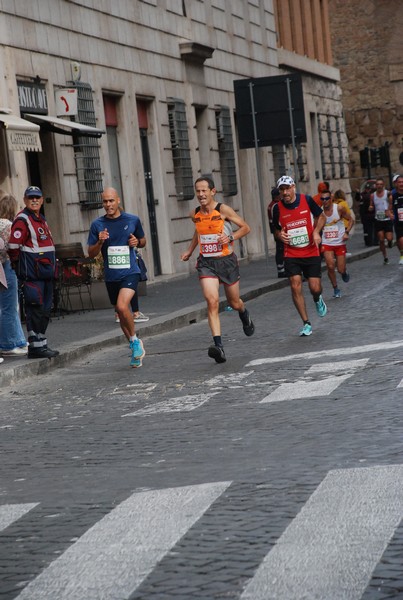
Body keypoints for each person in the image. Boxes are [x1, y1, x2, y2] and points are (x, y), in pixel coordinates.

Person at [181, 176, 254, 363]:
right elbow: (199, 231)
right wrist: (190, 250)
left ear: (213, 191)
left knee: (234, 301)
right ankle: (218, 346)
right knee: (211, 301)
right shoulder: (194, 214)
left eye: (204, 190)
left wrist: (230, 238)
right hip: (207, 263)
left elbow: (245, 228)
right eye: (198, 191)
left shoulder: (223, 210)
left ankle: (244, 313)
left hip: (226, 262)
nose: (201, 194)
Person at [87, 187, 146, 368]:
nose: (108, 205)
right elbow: (90, 253)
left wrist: (137, 242)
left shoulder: (132, 219)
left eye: (111, 201)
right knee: (120, 313)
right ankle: (134, 347)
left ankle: (135, 341)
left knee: (122, 305)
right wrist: (100, 241)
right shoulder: (97, 225)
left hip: (130, 271)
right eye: (105, 201)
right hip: (111, 275)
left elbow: (142, 241)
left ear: (118, 200)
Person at [272, 175, 327, 336]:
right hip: (291, 252)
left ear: (293, 187)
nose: (285, 192)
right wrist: (280, 235)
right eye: (282, 189)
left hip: (310, 250)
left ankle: (317, 299)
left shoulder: (307, 200)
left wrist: (316, 232)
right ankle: (306, 323)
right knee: (295, 285)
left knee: (314, 288)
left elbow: (321, 216)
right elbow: (276, 229)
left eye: (287, 188)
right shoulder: (277, 208)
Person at [8, 186, 59, 358]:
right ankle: (35, 347)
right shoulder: (22, 219)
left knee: (45, 310)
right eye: (31, 198)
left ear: (42, 200)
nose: (34, 200)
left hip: (45, 274)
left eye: (37, 198)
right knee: (35, 308)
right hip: (32, 275)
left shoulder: (40, 219)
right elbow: (13, 246)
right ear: (25, 200)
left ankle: (42, 344)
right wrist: (21, 265)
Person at [0, 194, 28, 356]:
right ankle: (9, 343)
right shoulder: (9, 225)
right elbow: (13, 246)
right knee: (10, 306)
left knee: (6, 306)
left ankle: (17, 340)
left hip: (2, 266)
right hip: (8, 265)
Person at [320, 190, 353, 298]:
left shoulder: (338, 208)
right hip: (327, 243)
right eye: (322, 199)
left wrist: (346, 232)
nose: (324, 201)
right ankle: (336, 288)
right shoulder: (320, 212)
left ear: (331, 199)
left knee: (340, 269)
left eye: (326, 199)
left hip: (339, 242)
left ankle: (344, 272)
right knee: (330, 266)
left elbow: (351, 220)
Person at [369, 177, 394, 264]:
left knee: (389, 238)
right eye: (377, 184)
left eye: (381, 184)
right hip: (378, 219)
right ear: (375, 185)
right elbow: (371, 205)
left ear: (383, 185)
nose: (379, 186)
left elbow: (391, 203)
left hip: (387, 219)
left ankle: (390, 242)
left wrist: (389, 211)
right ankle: (385, 257)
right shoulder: (373, 195)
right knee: (381, 239)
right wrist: (371, 207)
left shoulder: (388, 193)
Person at [267, 187, 286, 278]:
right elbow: (274, 220)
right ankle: (281, 270)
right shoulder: (275, 205)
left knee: (281, 249)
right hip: (277, 230)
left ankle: (282, 269)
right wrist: (276, 231)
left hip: (275, 230)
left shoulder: (272, 205)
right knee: (280, 249)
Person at [388, 174, 403, 265]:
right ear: (396, 184)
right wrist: (390, 214)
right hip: (398, 221)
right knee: (401, 239)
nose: (401, 184)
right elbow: (389, 209)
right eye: (399, 182)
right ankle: (402, 255)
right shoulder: (392, 195)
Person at [359, 182, 376, 246]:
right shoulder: (370, 195)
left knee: (369, 229)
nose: (367, 190)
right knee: (368, 229)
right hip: (367, 214)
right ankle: (370, 241)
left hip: (368, 214)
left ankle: (370, 241)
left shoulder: (363, 196)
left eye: (368, 189)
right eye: (367, 189)